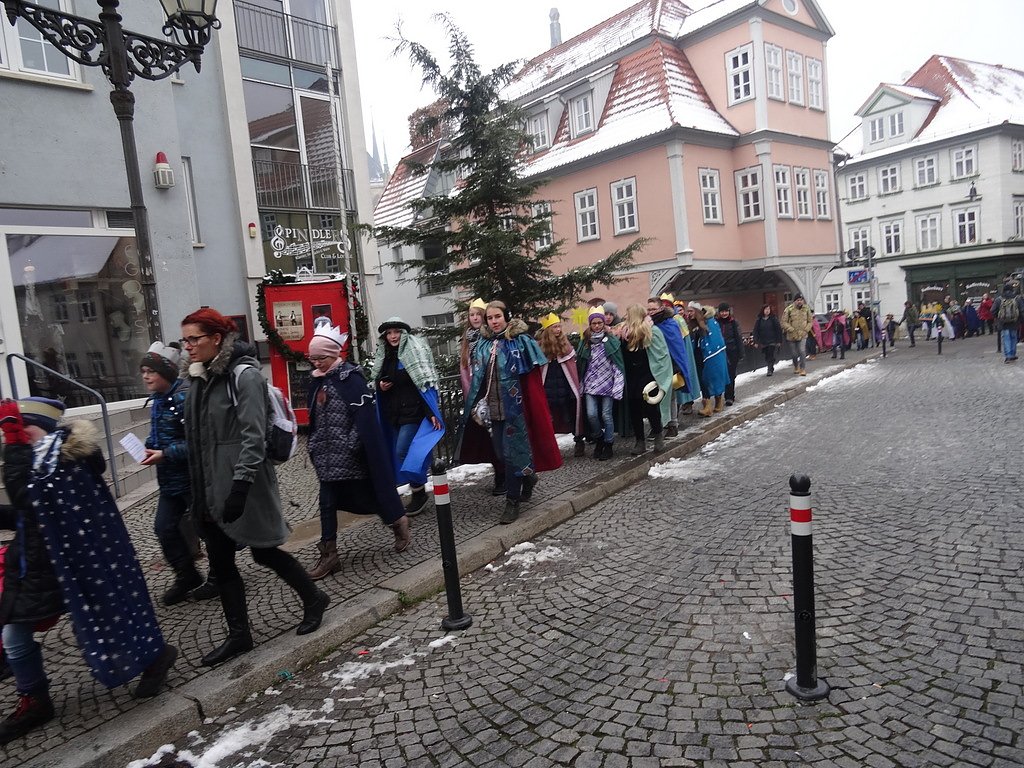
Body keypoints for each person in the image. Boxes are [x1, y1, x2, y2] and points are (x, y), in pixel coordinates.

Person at [0, 398, 179, 744]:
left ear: (43, 427)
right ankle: (34, 699)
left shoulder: (61, 462)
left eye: (24, 427)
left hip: (72, 560)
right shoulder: (43, 459)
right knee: (15, 635)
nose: (20, 433)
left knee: (111, 615)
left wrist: (14, 446)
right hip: (40, 564)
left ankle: (155, 657)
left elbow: (26, 498)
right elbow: (30, 514)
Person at [180, 309, 329, 667]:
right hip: (211, 484)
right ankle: (239, 635)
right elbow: (199, 437)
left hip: (243, 483)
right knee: (221, 560)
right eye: (185, 340)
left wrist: (240, 486)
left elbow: (254, 435)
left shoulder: (243, 375)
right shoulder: (199, 376)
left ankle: (314, 598)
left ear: (216, 338)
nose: (188, 347)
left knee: (264, 551)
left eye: (194, 339)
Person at [306, 325, 411, 580]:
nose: (317, 363)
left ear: (334, 354)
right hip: (326, 457)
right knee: (327, 503)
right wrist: (314, 444)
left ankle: (397, 520)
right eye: (313, 358)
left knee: (367, 499)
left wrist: (351, 443)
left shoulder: (350, 380)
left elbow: (364, 418)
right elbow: (314, 419)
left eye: (321, 357)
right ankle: (330, 555)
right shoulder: (317, 381)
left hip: (350, 456)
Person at [457, 301, 562, 523]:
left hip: (515, 410)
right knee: (499, 452)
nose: (494, 321)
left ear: (506, 317)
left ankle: (512, 501)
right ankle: (529, 477)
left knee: (510, 453)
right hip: (494, 410)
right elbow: (478, 376)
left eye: (497, 316)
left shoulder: (520, 341)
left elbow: (532, 379)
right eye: (490, 318)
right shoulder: (484, 343)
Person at [139, 341, 213, 606]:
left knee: (207, 529)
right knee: (164, 528)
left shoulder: (184, 397)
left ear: (166, 373)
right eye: (143, 371)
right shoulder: (158, 400)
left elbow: (199, 442)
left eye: (151, 371)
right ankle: (187, 575)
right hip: (170, 481)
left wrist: (166, 453)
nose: (146, 376)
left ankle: (220, 575)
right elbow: (161, 434)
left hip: (192, 479)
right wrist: (149, 446)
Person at [371, 317, 445, 517]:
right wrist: (380, 385)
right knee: (403, 452)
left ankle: (419, 490)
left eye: (396, 332)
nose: (393, 336)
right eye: (389, 333)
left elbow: (424, 383)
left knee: (403, 450)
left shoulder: (414, 353)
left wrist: (431, 412)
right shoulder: (385, 355)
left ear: (403, 334)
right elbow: (378, 379)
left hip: (414, 412)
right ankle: (420, 484)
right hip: (394, 413)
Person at [617, 304, 672, 455]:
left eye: (628, 314)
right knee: (634, 409)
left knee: (651, 407)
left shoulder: (651, 330)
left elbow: (661, 354)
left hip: (648, 374)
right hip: (631, 376)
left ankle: (658, 435)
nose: (626, 316)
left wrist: (660, 375)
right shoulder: (624, 333)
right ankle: (640, 441)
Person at [576, 306, 624, 460]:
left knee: (606, 415)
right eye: (594, 323)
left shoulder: (611, 341)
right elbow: (581, 364)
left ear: (603, 323)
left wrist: (618, 384)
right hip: (590, 384)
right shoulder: (585, 342)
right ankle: (599, 438)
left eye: (599, 323)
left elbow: (617, 364)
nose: (597, 326)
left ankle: (608, 444)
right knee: (591, 414)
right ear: (590, 324)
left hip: (608, 383)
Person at [536, 313, 585, 456]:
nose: (558, 330)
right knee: (548, 419)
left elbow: (572, 368)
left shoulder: (566, 346)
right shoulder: (540, 348)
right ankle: (549, 447)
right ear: (548, 330)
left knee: (571, 416)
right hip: (548, 390)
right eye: (554, 327)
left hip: (565, 389)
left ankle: (579, 440)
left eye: (559, 327)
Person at [646, 296, 694, 436]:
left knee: (670, 395)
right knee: (654, 395)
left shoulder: (670, 323)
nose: (651, 312)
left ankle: (673, 424)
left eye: (654, 309)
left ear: (661, 308)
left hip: (670, 364)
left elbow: (677, 347)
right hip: (653, 364)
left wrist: (677, 367)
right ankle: (657, 425)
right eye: (649, 309)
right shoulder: (648, 324)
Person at [715, 303, 744, 405]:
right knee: (721, 374)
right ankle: (719, 396)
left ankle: (729, 396)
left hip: (732, 351)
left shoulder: (733, 322)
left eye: (726, 311)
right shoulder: (716, 323)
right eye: (722, 311)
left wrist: (741, 352)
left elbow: (738, 338)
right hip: (720, 352)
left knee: (731, 375)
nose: (724, 313)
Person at [459, 298, 488, 396]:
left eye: (478, 314)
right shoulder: (467, 338)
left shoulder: (489, 337)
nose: (475, 318)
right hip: (473, 387)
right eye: (472, 315)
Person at [781, 294, 813, 375]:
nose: (800, 302)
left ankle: (803, 369)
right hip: (792, 336)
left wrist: (806, 330)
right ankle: (796, 366)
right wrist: (791, 329)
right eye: (798, 300)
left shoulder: (806, 309)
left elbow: (810, 321)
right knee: (794, 354)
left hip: (802, 334)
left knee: (802, 351)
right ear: (794, 301)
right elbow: (783, 322)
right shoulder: (789, 309)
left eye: (801, 300)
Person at [992, 283, 1024, 362]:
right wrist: (1020, 319)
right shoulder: (1017, 298)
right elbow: (1022, 310)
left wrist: (998, 317)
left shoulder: (999, 299)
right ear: (1012, 290)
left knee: (1006, 339)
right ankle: (1012, 354)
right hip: (1014, 322)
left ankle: (1008, 356)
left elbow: (993, 310)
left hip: (1003, 323)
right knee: (1013, 338)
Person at [752, 304, 783, 376]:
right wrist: (756, 341)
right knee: (767, 355)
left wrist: (779, 340)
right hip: (763, 341)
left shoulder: (773, 319)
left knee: (770, 353)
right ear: (763, 310)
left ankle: (769, 369)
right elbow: (755, 331)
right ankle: (771, 365)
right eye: (766, 309)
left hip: (772, 340)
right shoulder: (759, 320)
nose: (767, 311)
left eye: (768, 309)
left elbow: (778, 330)